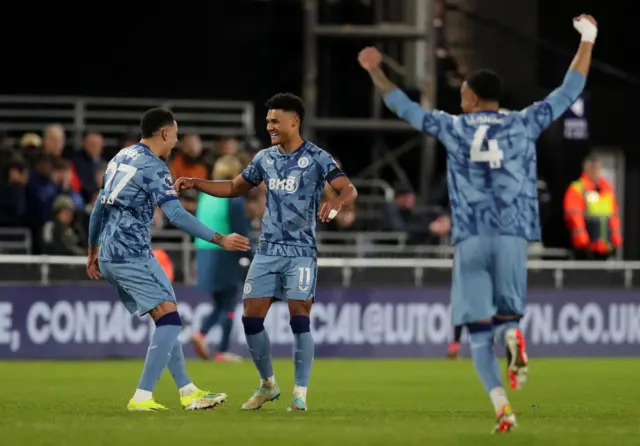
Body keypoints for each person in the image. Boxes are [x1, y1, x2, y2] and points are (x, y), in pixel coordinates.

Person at [358, 14, 597, 433]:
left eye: (463, 95)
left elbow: (404, 107)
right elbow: (570, 88)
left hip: (470, 236)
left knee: (477, 334)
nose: (461, 100)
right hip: (513, 234)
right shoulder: (525, 122)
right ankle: (513, 337)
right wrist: (588, 40)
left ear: (471, 100)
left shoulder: (453, 126)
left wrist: (376, 70)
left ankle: (502, 407)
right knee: (508, 319)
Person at [175, 93, 358, 412]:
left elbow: (348, 188)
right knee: (250, 318)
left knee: (299, 318)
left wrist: (337, 204)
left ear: (294, 121)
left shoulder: (317, 157)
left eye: (275, 120)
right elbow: (234, 187)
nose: (269, 125)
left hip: (300, 251)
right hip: (268, 251)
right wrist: (197, 183)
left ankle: (300, 392)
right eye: (268, 120)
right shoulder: (264, 158)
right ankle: (267, 384)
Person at [86, 108, 251, 412]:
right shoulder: (155, 167)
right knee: (170, 319)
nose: (176, 141)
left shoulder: (120, 158)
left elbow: (98, 208)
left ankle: (188, 391)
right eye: (175, 134)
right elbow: (176, 215)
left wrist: (93, 249)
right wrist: (221, 238)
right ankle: (142, 396)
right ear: (164, 133)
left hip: (113, 253)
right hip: (130, 254)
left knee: (167, 317)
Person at [191, 155, 251, 362]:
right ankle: (219, 347)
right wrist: (250, 254)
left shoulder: (206, 196)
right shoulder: (233, 197)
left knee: (220, 303)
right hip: (223, 255)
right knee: (229, 303)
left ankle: (204, 336)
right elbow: (240, 230)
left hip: (203, 253)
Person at [564, 154, 622, 260]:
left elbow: (614, 216)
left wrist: (616, 239)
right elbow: (574, 216)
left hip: (606, 247)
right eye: (594, 168)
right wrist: (582, 240)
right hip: (586, 248)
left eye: (599, 168)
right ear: (587, 169)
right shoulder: (577, 189)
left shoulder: (607, 189)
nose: (597, 172)